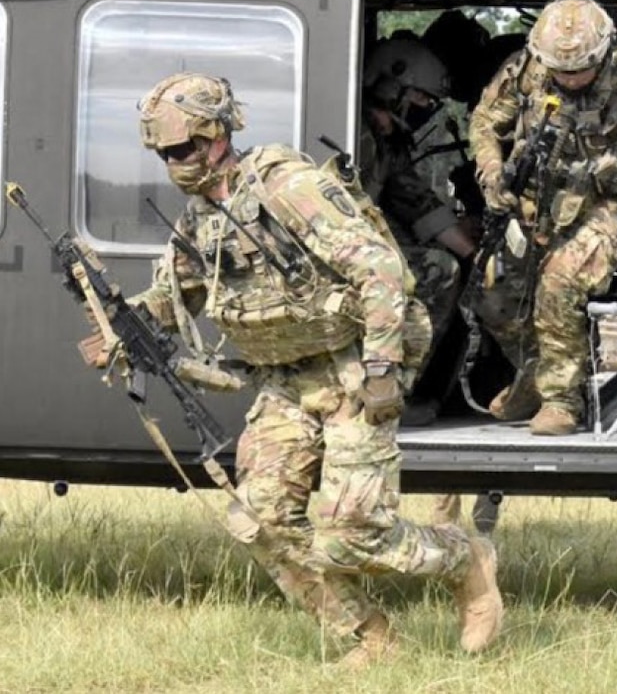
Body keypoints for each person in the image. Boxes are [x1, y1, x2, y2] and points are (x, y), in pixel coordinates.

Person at [124, 72, 503, 666]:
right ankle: (370, 636)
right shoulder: (201, 219)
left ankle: (465, 558)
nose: (175, 164)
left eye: (184, 149)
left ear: (219, 136)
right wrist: (122, 325)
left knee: (354, 533)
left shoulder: (286, 186)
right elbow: (180, 295)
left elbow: (378, 268)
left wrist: (382, 370)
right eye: (165, 155)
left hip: (354, 369)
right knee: (261, 518)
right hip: (285, 383)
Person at [468, 0, 617, 435]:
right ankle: (538, 373)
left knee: (561, 279)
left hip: (614, 208)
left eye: (580, 71)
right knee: (491, 293)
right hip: (541, 202)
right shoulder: (528, 71)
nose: (570, 80)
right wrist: (492, 171)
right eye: (561, 71)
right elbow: (483, 121)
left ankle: (561, 401)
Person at [361, 39, 477, 406]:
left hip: (363, 247)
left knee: (444, 258)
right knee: (437, 269)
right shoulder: (361, 137)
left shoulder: (387, 142)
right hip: (344, 255)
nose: (425, 109)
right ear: (392, 84)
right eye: (422, 98)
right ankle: (394, 390)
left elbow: (416, 202)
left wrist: (472, 253)